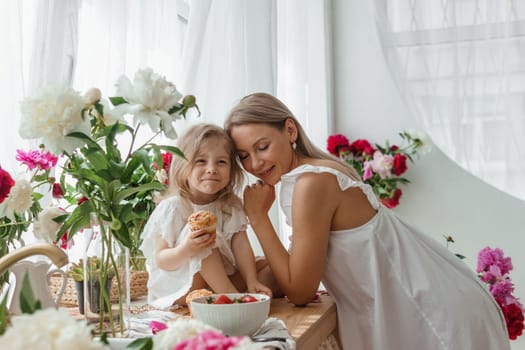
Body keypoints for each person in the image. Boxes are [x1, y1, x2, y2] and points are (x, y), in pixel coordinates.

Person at [224, 92, 510, 350]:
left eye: (262, 147)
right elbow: (296, 266)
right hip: (432, 304)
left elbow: (300, 290)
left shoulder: (311, 182)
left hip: (434, 314)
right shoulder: (310, 176)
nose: (255, 164)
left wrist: (259, 217)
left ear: (289, 130)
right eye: (244, 156)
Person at [140, 123, 273, 309]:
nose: (211, 169)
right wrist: (186, 249)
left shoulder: (229, 204)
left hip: (215, 283)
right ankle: (232, 298)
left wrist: (251, 280)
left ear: (231, 170)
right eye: (201, 161)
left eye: (221, 162)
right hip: (184, 287)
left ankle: (236, 292)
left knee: (267, 266)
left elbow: (241, 244)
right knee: (203, 234)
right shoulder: (174, 207)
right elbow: (161, 259)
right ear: (183, 167)